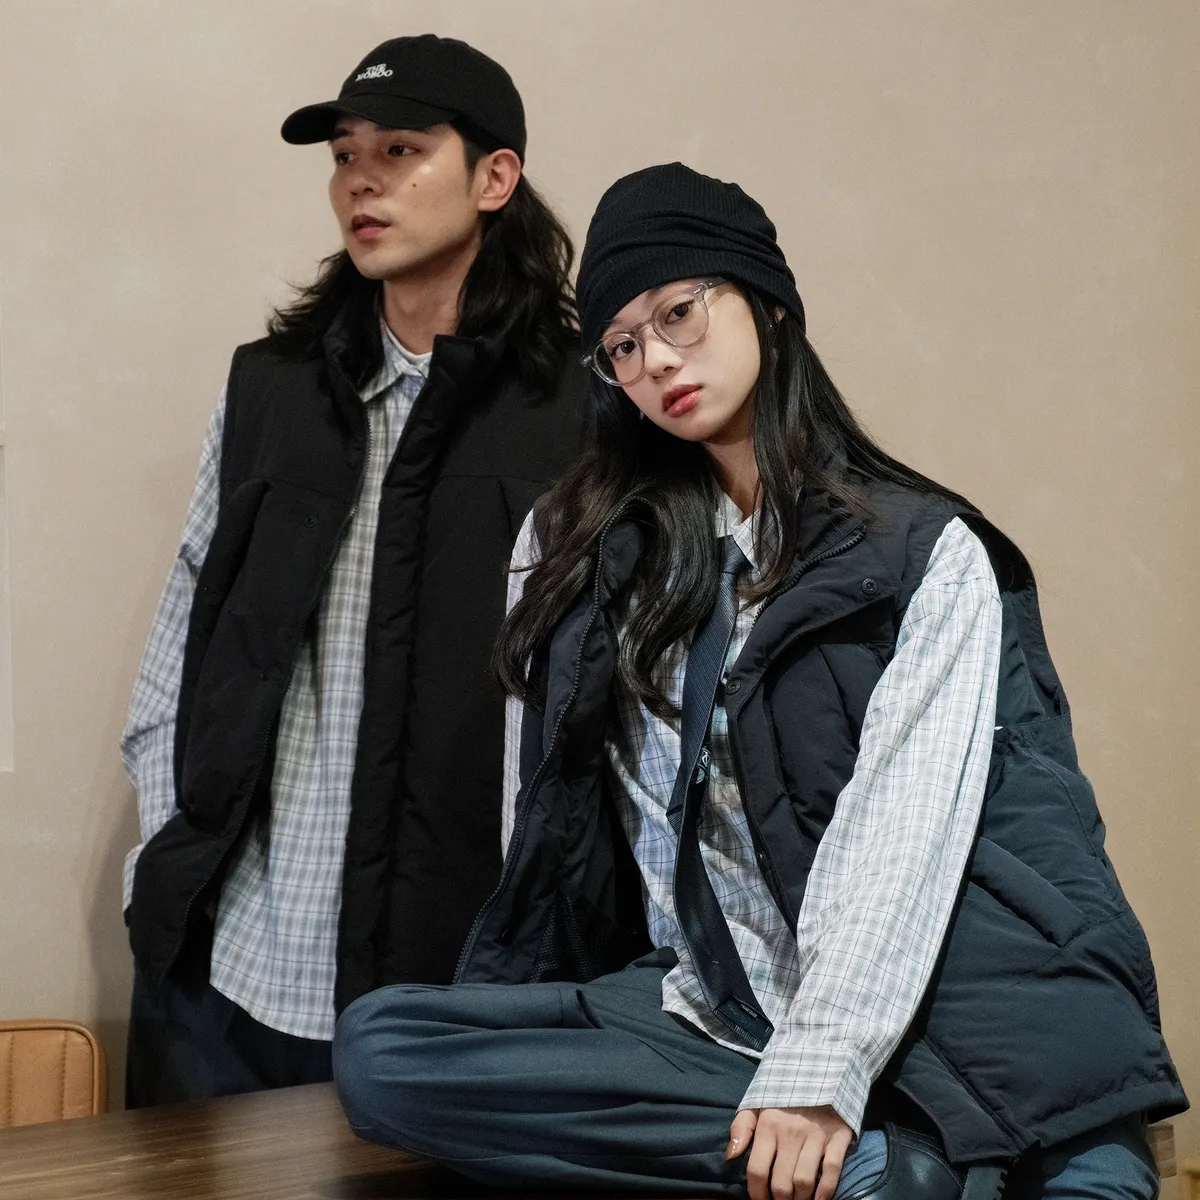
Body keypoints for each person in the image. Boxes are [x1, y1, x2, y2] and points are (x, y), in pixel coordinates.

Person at [332, 164, 1187, 1199]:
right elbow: (543, 820)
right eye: (622, 346)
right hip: (716, 1016)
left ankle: (881, 1145)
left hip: (946, 1011)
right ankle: (876, 1167)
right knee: (384, 1049)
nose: (656, 360)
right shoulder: (580, 550)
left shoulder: (923, 552)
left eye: (678, 313)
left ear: (768, 305)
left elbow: (900, 844)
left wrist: (821, 1074)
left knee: (1087, 1177)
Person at [120, 34, 585, 1106]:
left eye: (400, 151)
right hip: (232, 972)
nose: (359, 182)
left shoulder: (579, 410)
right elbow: (184, 636)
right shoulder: (271, 392)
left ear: (495, 178)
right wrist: (169, 847)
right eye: (343, 156)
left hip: (458, 988)